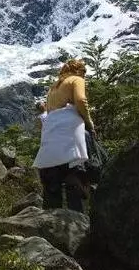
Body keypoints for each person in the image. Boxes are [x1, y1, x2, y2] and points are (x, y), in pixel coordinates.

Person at [33, 59, 94, 212]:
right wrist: (89, 123)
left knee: (52, 188)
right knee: (75, 181)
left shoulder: (53, 88)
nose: (84, 76)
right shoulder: (76, 79)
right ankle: (78, 225)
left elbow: (48, 114)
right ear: (79, 70)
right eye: (84, 73)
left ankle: (49, 228)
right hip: (70, 138)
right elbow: (81, 100)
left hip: (50, 139)